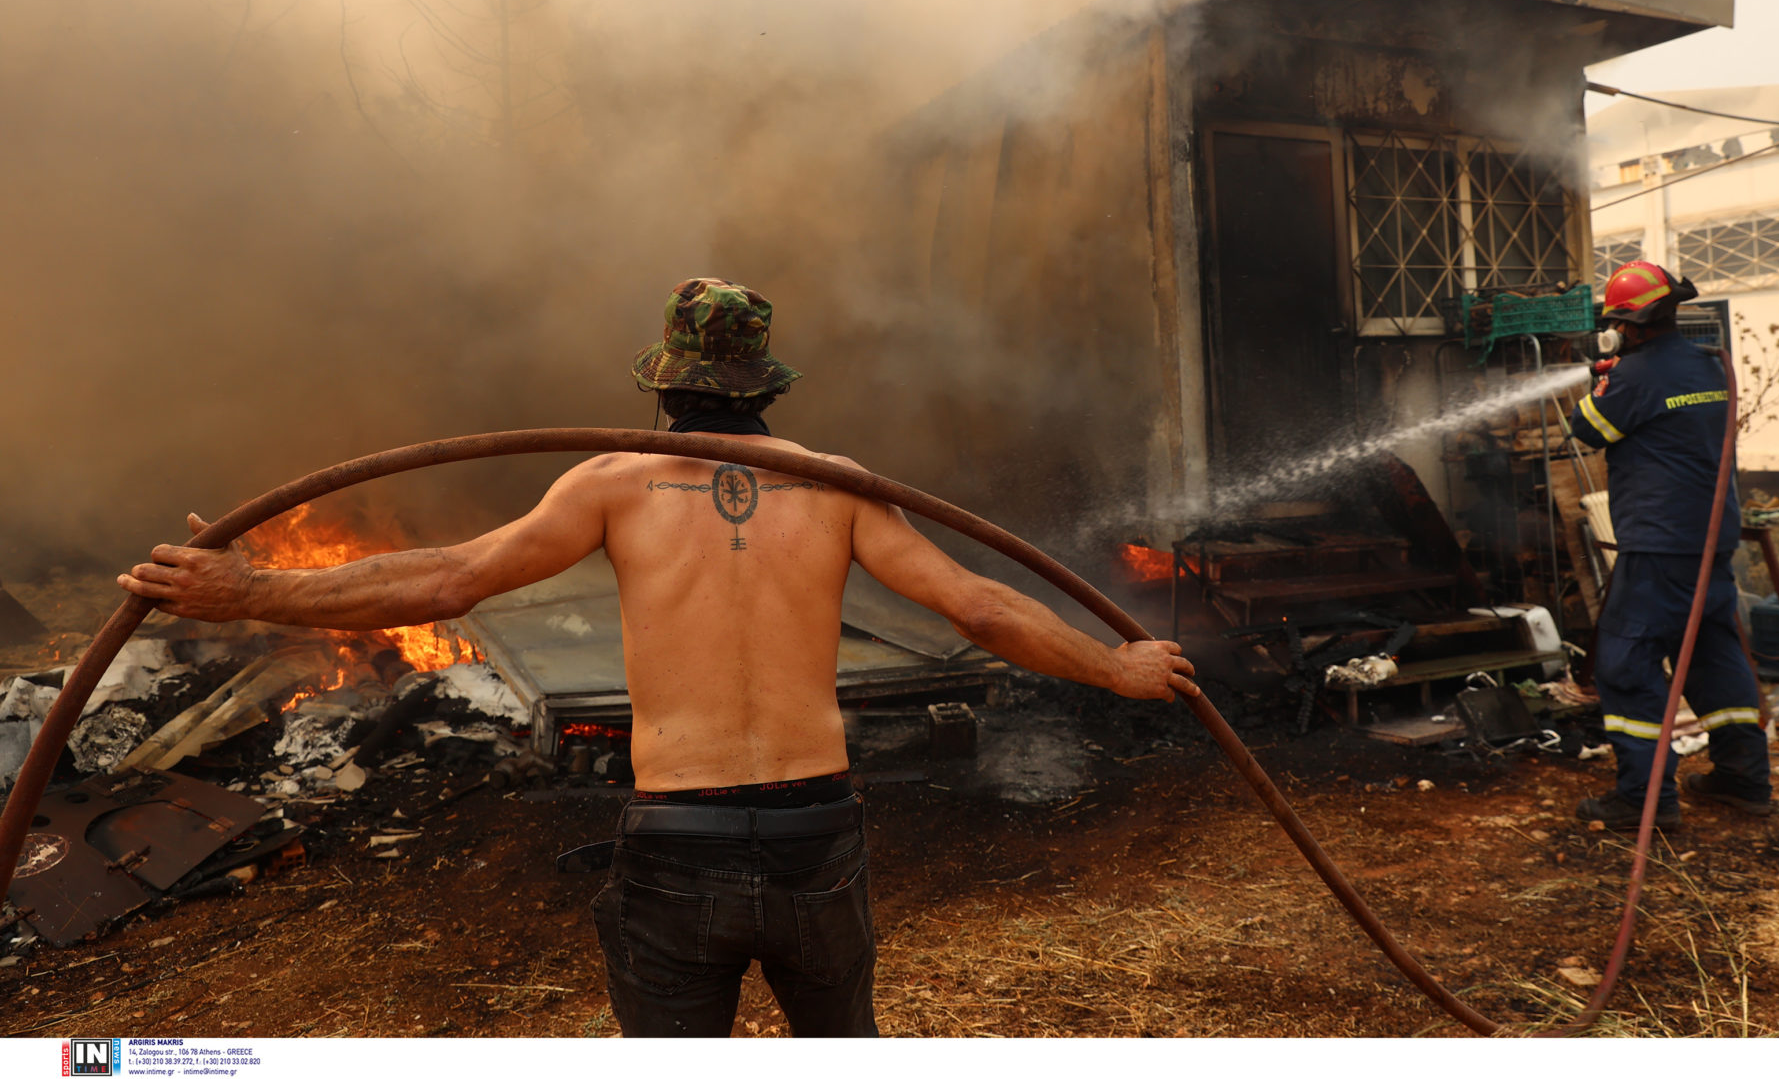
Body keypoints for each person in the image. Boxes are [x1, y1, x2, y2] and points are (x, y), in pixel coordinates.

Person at [118, 276, 1197, 1037]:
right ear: (766, 383)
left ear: (663, 380)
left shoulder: (611, 480)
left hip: (680, 839)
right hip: (815, 835)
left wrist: (251, 588)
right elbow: (974, 605)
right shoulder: (834, 482)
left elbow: (450, 579)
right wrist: (1115, 665)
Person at [1565, 261, 1772, 827]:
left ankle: (1643, 798)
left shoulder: (1633, 377)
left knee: (1624, 662)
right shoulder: (1710, 366)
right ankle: (1744, 779)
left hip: (1658, 545)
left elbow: (1587, 430)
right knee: (1712, 652)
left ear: (1627, 326)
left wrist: (1601, 377)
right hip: (1710, 539)